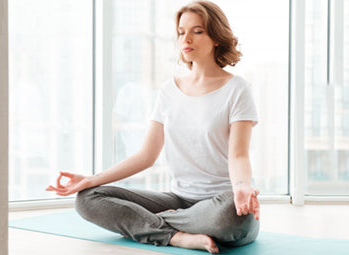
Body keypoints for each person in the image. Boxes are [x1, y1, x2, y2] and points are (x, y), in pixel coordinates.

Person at [46, 1, 260, 253]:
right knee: (88, 199)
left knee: (234, 218)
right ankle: (176, 236)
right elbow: (146, 156)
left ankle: (155, 226)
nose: (186, 38)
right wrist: (91, 180)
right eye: (181, 32)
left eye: (197, 31)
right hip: (180, 200)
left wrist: (242, 187)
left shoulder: (237, 89)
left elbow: (238, 155)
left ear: (216, 37)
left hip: (221, 203)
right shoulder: (169, 90)